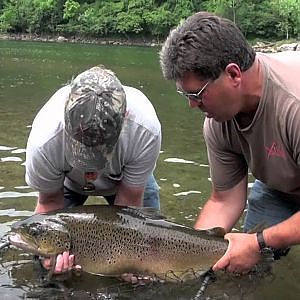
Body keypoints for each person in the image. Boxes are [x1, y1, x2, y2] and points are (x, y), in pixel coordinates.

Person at [159, 11, 300, 274]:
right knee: (249, 268)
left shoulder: (293, 107)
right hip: (280, 186)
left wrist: (259, 242)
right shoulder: (217, 122)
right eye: (186, 95)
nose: (192, 105)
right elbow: (225, 200)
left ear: (233, 74)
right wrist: (181, 262)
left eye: (197, 94)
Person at [25, 65, 161, 272]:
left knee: (147, 256)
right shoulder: (45, 140)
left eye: (98, 150)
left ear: (125, 116)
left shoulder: (144, 129)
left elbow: (128, 209)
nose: (91, 172)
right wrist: (48, 257)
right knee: (44, 264)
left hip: (124, 181)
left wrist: (123, 262)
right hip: (67, 182)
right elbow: (50, 201)